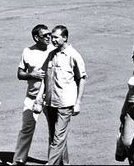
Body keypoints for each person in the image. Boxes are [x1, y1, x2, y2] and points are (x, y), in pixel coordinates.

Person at [43, 25, 87, 165]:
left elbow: (82, 78)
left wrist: (78, 102)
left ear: (65, 37)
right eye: (52, 37)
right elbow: (45, 77)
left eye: (56, 37)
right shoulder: (51, 54)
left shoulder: (73, 55)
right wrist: (41, 98)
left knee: (58, 137)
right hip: (51, 102)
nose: (52, 40)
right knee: (54, 136)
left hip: (65, 103)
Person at [12, 24, 53, 165]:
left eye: (49, 34)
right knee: (26, 129)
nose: (49, 37)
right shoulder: (27, 51)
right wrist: (32, 74)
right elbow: (19, 74)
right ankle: (19, 160)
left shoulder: (54, 50)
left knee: (53, 131)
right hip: (32, 97)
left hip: (50, 98)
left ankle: (53, 160)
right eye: (45, 35)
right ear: (36, 38)